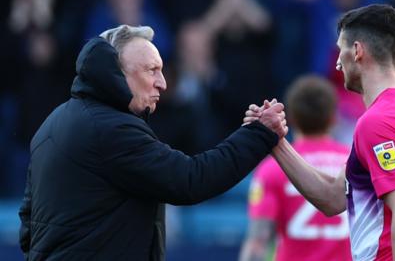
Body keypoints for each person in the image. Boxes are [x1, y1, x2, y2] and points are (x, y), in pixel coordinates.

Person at [18, 24, 287, 261]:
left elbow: (27, 223)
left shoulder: (54, 121)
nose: (163, 83)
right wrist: (258, 134)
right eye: (152, 70)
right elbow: (191, 180)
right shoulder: (110, 129)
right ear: (115, 73)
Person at [245, 4, 395, 260]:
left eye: (340, 49)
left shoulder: (377, 122)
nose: (338, 61)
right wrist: (276, 141)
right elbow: (332, 198)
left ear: (357, 51)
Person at [239, 75, 352, 261]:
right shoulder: (353, 162)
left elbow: (257, 242)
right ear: (334, 118)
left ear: (290, 118)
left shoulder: (273, 168)